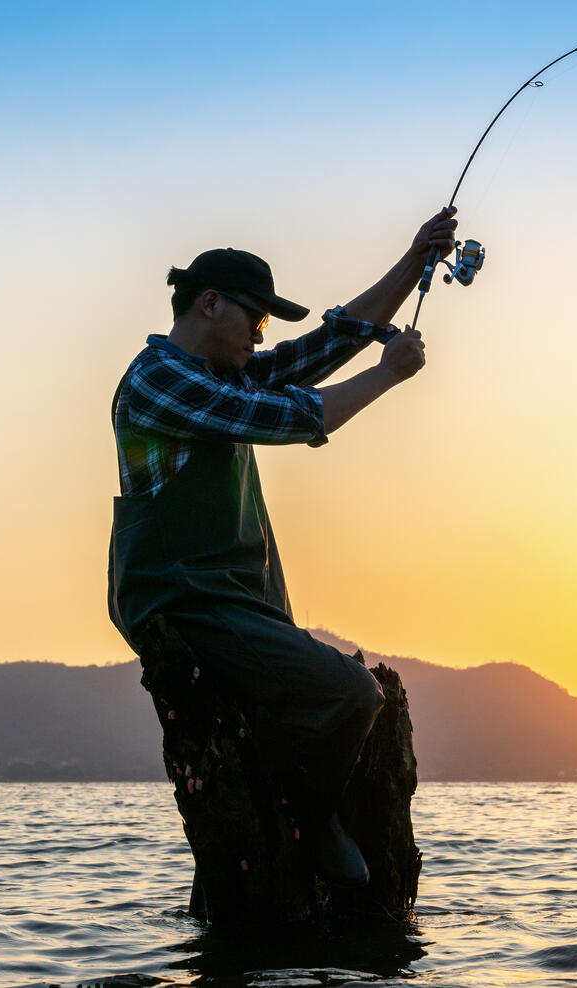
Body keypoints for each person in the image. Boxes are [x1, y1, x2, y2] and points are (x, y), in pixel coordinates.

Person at [108, 206, 459, 886]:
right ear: (210, 304)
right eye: (256, 319)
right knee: (354, 695)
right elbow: (293, 415)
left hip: (233, 601)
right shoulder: (162, 380)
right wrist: (388, 375)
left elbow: (326, 345)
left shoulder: (221, 374)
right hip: (182, 603)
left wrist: (417, 258)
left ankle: (279, 811)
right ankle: (310, 817)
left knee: (335, 699)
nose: (262, 336)